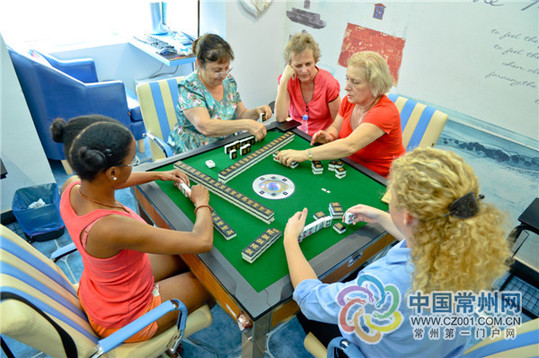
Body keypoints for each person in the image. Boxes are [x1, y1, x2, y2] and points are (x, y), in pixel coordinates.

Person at [283, 147, 512, 357]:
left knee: (301, 309)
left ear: (408, 216)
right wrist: (383, 217)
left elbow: (310, 299)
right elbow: (426, 242)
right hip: (431, 348)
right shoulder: (469, 245)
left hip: (374, 349)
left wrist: (290, 239)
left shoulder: (385, 285)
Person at [51, 115, 214, 342]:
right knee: (212, 281)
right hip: (125, 319)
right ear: (112, 172)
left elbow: (110, 180)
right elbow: (202, 241)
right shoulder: (111, 227)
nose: (133, 165)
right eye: (132, 162)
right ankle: (169, 341)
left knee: (185, 258)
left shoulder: (72, 186)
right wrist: (201, 202)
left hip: (101, 289)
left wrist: (158, 174)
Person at [276, 51, 405, 178]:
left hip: (379, 179)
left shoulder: (384, 112)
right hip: (351, 167)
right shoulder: (350, 101)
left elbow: (349, 146)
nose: (346, 87)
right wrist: (329, 135)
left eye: (355, 82)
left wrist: (304, 154)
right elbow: (336, 127)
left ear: (375, 84)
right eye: (347, 79)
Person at [167, 33, 272, 154]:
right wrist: (247, 124)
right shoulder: (189, 88)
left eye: (226, 68)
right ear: (200, 64)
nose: (223, 75)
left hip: (226, 144)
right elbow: (206, 127)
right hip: (196, 150)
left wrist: (256, 112)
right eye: (217, 70)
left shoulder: (229, 81)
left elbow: (241, 114)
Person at [274, 32, 341, 136]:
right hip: (295, 133)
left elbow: (338, 123)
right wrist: (283, 81)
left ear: (315, 60)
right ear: (290, 65)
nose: (304, 70)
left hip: (321, 137)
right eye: (298, 66)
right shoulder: (287, 81)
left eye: (308, 64)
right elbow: (280, 118)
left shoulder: (329, 84)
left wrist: (325, 137)